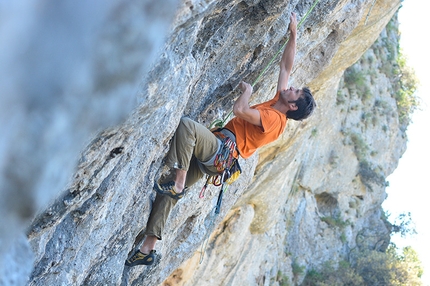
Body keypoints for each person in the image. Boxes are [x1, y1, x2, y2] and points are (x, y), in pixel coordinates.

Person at [125, 12, 316, 267]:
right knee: (167, 192)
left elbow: (240, 111)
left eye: (295, 91)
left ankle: (179, 183)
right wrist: (294, 33)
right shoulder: (279, 101)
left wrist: (247, 93)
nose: (291, 87)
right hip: (218, 157)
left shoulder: (275, 120)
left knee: (187, 127)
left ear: (292, 106)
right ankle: (147, 249)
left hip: (220, 152)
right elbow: (285, 66)